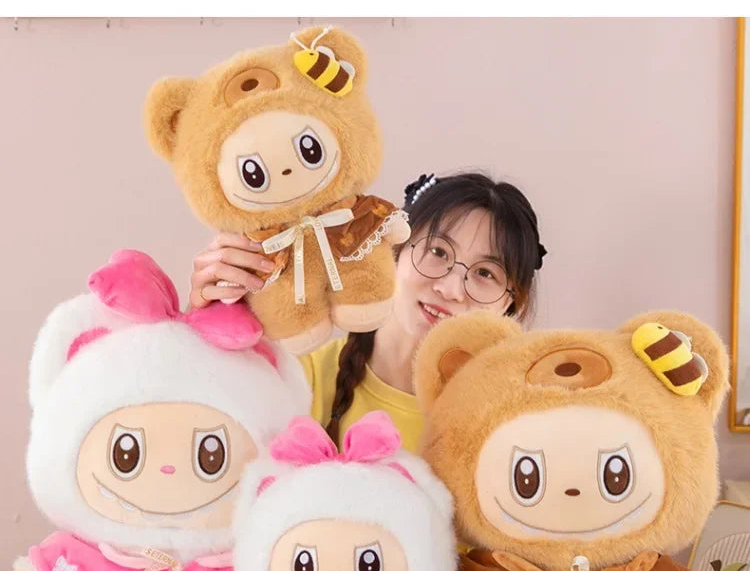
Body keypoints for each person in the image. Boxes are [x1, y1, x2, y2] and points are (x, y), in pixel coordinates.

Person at [189, 171, 547, 451]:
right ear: (394, 250)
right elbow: (199, 441)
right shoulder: (300, 377)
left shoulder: (510, 431)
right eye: (438, 252)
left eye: (485, 274)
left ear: (509, 305)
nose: (450, 289)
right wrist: (210, 320)